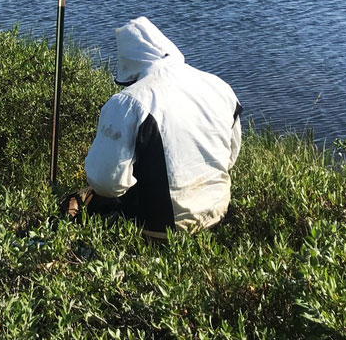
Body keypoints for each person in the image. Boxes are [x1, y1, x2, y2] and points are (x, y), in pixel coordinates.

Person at [65, 17, 242, 239]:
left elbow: (106, 183)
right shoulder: (220, 87)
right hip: (218, 214)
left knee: (87, 197)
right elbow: (230, 157)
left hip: (160, 228)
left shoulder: (129, 102)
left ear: (129, 64)